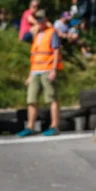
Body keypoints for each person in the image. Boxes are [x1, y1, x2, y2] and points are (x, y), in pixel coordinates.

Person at [19, 9, 61, 137]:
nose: (39, 22)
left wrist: (54, 69)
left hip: (47, 70)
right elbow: (34, 55)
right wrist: (30, 75)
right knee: (31, 99)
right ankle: (30, 127)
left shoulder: (51, 33)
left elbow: (56, 51)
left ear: (46, 20)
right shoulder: (36, 35)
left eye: (41, 19)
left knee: (51, 98)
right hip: (36, 71)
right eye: (37, 20)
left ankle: (54, 126)